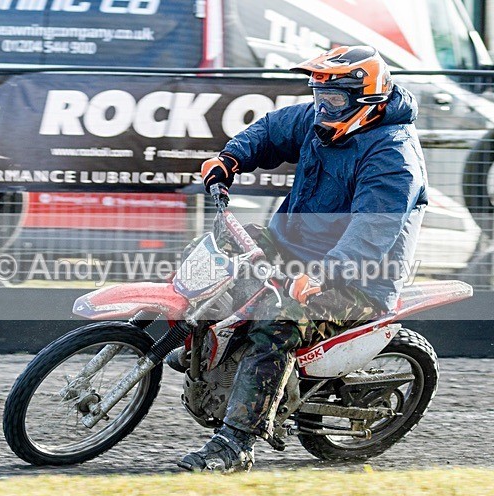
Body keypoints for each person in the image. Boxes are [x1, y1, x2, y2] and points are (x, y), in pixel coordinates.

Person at [177, 45, 429, 473]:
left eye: (334, 100)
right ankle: (191, 341)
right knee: (218, 256)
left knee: (278, 321)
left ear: (368, 100)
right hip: (294, 250)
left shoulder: (393, 158)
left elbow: (372, 232)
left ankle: (238, 443)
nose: (323, 107)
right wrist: (230, 158)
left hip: (358, 277)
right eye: (319, 97)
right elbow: (273, 130)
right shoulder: (320, 122)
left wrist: (324, 274)